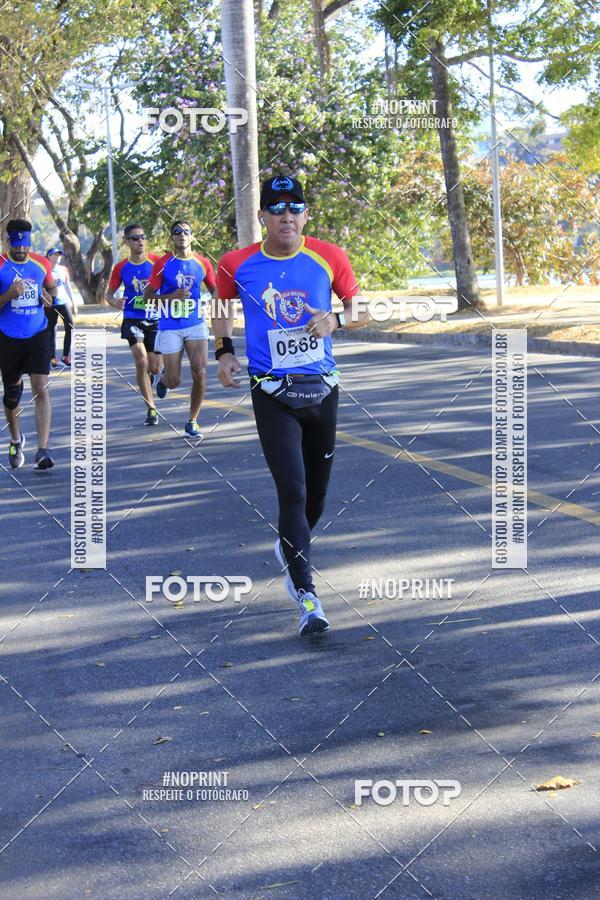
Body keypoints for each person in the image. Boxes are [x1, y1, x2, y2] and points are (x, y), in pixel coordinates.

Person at [214, 175, 368, 636]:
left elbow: (361, 310)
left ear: (305, 215)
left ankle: (290, 545)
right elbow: (222, 307)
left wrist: (336, 319)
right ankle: (307, 597)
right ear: (262, 216)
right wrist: (224, 352)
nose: (286, 215)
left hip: (321, 388)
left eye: (294, 207)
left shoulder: (329, 256)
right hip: (272, 393)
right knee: (294, 491)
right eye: (276, 208)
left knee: (317, 495)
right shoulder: (236, 263)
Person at [143, 220, 216, 437]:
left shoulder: (203, 263)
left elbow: (216, 291)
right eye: (177, 232)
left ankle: (192, 421)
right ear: (172, 238)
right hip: (170, 326)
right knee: (175, 382)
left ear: (192, 236)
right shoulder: (163, 264)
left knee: (200, 372)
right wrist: (170, 297)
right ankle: (165, 378)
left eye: (186, 232)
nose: (182, 235)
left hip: (195, 324)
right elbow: (147, 298)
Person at [0, 219, 58, 469]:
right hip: (8, 336)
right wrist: (9, 295)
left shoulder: (41, 264)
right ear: (8, 241)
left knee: (41, 388)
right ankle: (16, 439)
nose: (21, 250)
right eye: (16, 245)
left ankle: (42, 450)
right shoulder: (1, 265)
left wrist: (49, 298)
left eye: (25, 245)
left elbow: (52, 290)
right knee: (12, 396)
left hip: (37, 333)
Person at [106, 224, 161, 425]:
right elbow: (108, 295)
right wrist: (115, 302)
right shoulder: (121, 267)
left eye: (143, 237)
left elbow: (170, 284)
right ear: (127, 242)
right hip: (132, 316)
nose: (140, 241)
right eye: (135, 238)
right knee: (141, 360)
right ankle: (151, 408)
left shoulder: (156, 262)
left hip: (155, 317)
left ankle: (158, 376)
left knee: (154, 366)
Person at [45, 247, 78, 367]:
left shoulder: (63, 269)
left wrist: (74, 303)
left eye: (59, 255)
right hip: (50, 304)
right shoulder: (44, 269)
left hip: (64, 302)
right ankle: (53, 358)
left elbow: (68, 286)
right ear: (48, 256)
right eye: (55, 254)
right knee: (51, 331)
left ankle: (65, 356)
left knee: (70, 327)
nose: (58, 257)